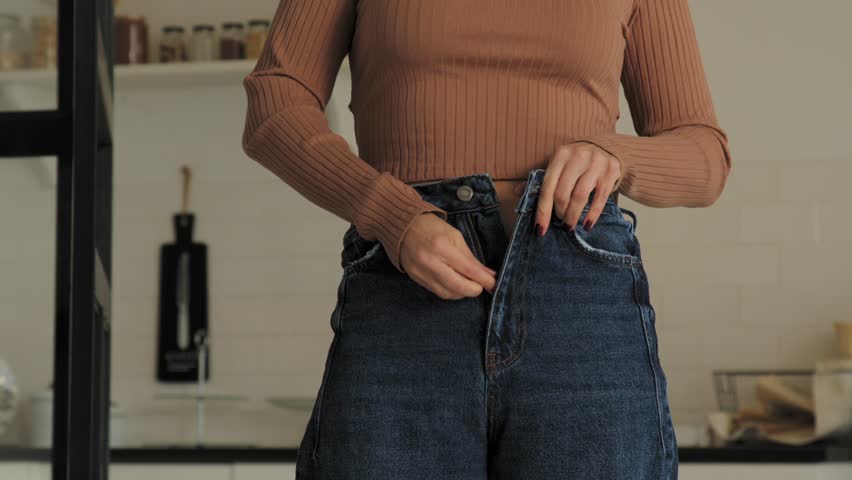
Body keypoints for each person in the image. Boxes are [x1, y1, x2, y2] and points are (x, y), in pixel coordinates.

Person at [241, 0, 731, 478]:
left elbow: (705, 155)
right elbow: (275, 102)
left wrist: (615, 157)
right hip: (404, 293)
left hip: (579, 306)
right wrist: (393, 215)